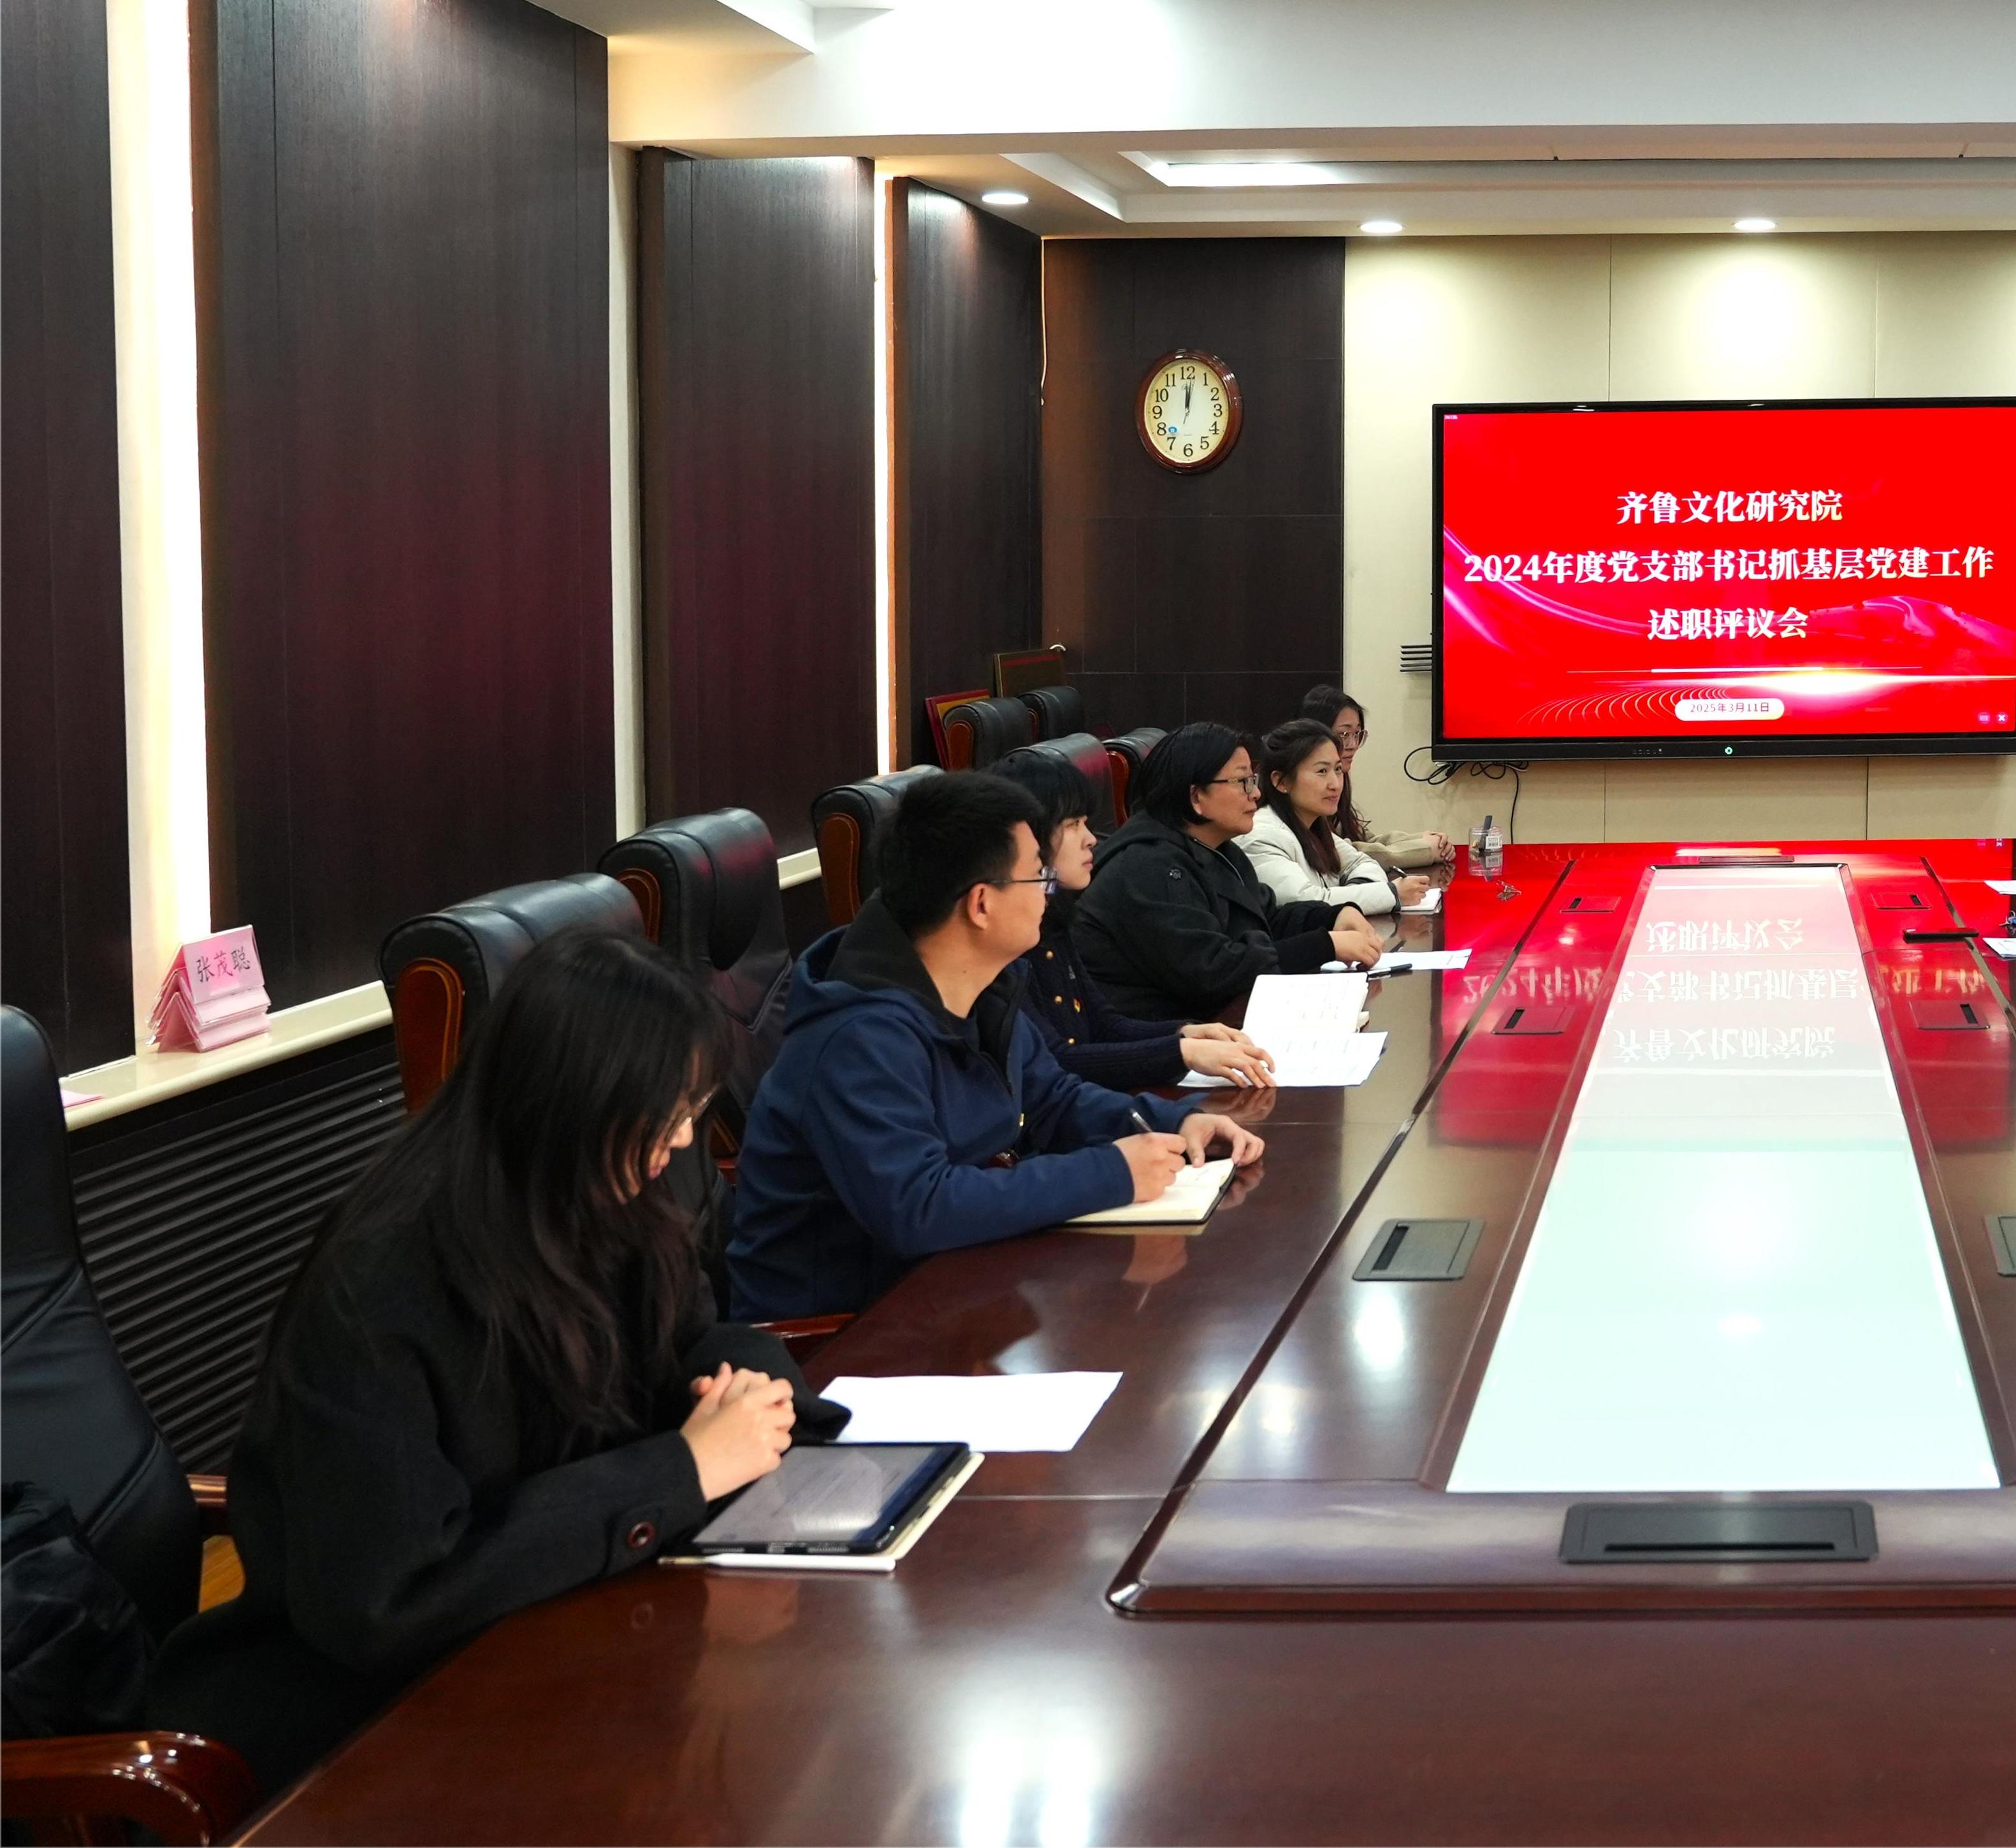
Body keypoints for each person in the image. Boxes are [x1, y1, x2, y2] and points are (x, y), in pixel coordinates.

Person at [147, 928, 843, 1791]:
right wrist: (683, 1468)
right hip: (374, 1722)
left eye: (691, 1108)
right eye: (667, 1114)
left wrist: (755, 1390)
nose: (683, 1139)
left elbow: (693, 1334)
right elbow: (385, 1600)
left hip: (566, 1639)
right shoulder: (383, 1280)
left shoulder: (602, 1186)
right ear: (572, 1102)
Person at [727, 772, 1260, 1321]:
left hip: (950, 1287)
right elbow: (919, 1205)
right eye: (1038, 876)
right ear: (981, 903)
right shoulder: (858, 1038)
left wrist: (1173, 1121)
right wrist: (1111, 1172)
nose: (1049, 891)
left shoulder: (982, 987)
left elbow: (1053, 1100)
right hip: (841, 1333)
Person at [992, 749, 1279, 1093]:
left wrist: (1185, 1033)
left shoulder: (1054, 917)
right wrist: (1181, 1052)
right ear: (1029, 838)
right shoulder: (1006, 940)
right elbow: (1056, 1062)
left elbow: (1104, 1024)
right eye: (1072, 825)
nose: (1091, 839)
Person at [1077, 722, 1386, 1021]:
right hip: (1160, 1039)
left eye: (1253, 779)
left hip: (1212, 1026)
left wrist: (1331, 917)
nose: (1256, 793)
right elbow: (1211, 971)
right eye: (1243, 782)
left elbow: (1265, 918)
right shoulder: (1146, 865)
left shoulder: (1218, 848)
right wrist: (1324, 945)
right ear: (1196, 797)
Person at [1242, 718, 1424, 919]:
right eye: (1322, 771)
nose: (1336, 784)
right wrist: (1391, 894)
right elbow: (1308, 903)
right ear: (1281, 781)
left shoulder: (1312, 825)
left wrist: (1355, 890)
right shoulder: (1261, 836)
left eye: (1338, 769)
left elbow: (1362, 863)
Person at [1296, 685, 1452, 873]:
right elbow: (1343, 853)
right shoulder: (1303, 786)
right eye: (1344, 735)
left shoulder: (1339, 780)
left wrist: (1425, 840)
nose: (1353, 745)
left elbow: (1361, 838)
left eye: (1357, 734)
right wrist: (1424, 849)